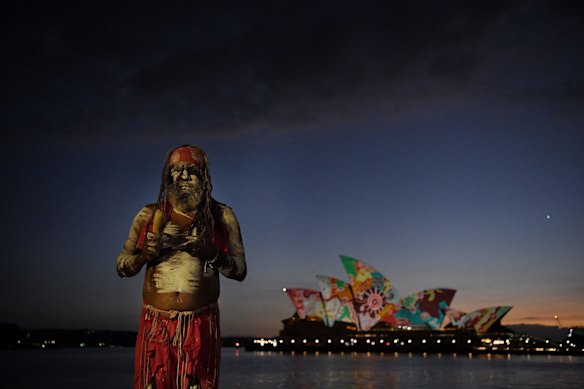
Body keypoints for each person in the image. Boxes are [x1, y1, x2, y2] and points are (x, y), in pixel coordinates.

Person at [117, 145, 247, 389]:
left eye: (192, 171)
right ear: (169, 176)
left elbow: (240, 271)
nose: (185, 176)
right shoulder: (149, 214)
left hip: (201, 324)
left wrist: (211, 253)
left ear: (204, 177)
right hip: (155, 325)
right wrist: (145, 255)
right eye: (178, 171)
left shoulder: (222, 216)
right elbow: (122, 266)